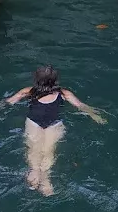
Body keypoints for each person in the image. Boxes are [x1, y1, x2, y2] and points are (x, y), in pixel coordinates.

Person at [6, 65, 106, 196]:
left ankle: (34, 172)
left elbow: (10, 101)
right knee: (49, 151)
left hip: (33, 123)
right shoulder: (64, 93)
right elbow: (80, 106)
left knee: (33, 149)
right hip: (53, 125)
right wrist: (95, 115)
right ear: (55, 81)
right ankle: (45, 179)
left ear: (36, 80)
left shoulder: (29, 91)